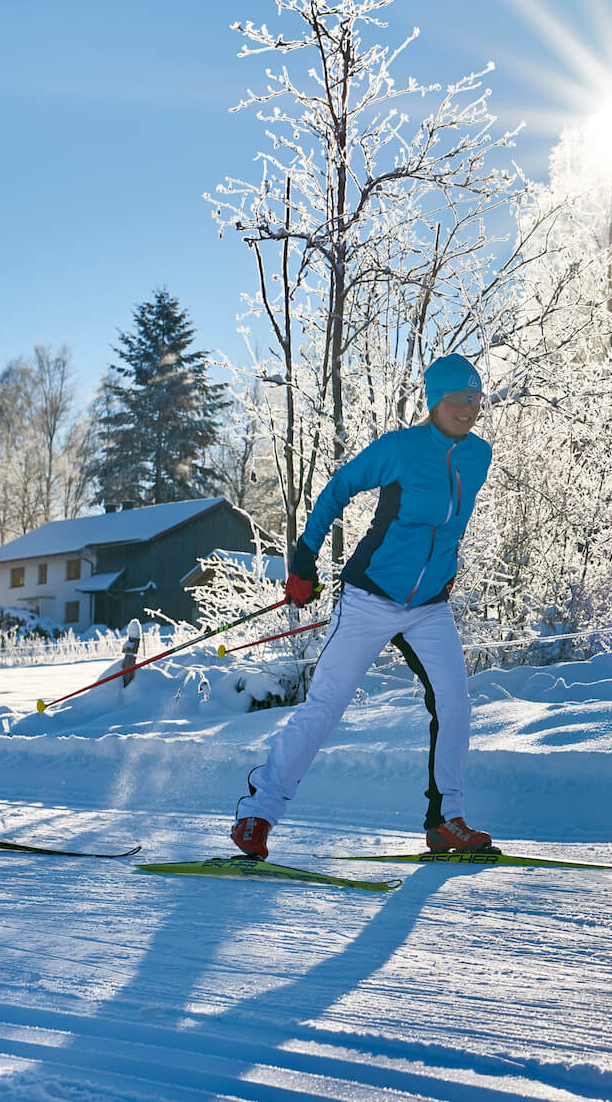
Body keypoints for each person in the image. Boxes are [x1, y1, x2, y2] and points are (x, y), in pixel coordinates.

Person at [232, 353, 495, 859]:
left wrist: (447, 567)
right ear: (435, 400)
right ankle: (257, 813)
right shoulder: (401, 448)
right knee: (327, 704)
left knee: (455, 704)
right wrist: (304, 558)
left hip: (429, 606)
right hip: (371, 595)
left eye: (476, 399)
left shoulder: (478, 456)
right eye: (459, 398)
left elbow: (450, 524)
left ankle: (447, 822)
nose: (468, 408)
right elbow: (338, 490)